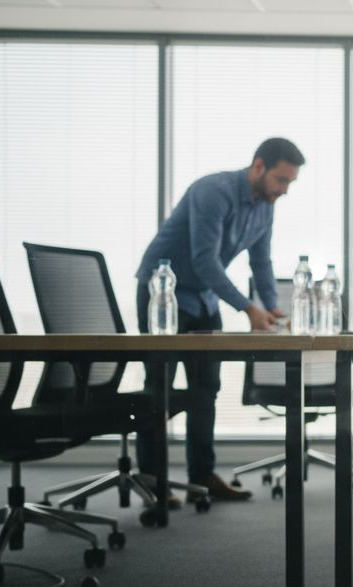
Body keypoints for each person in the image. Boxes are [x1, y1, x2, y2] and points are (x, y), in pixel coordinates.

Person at [134, 137, 303, 505]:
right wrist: (247, 309)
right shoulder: (213, 192)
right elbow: (204, 260)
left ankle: (202, 476)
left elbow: (261, 261)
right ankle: (152, 481)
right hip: (163, 293)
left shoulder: (265, 206)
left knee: (206, 387)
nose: (284, 190)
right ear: (258, 166)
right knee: (159, 390)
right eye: (281, 180)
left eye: (290, 183)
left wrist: (270, 307)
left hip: (203, 297)